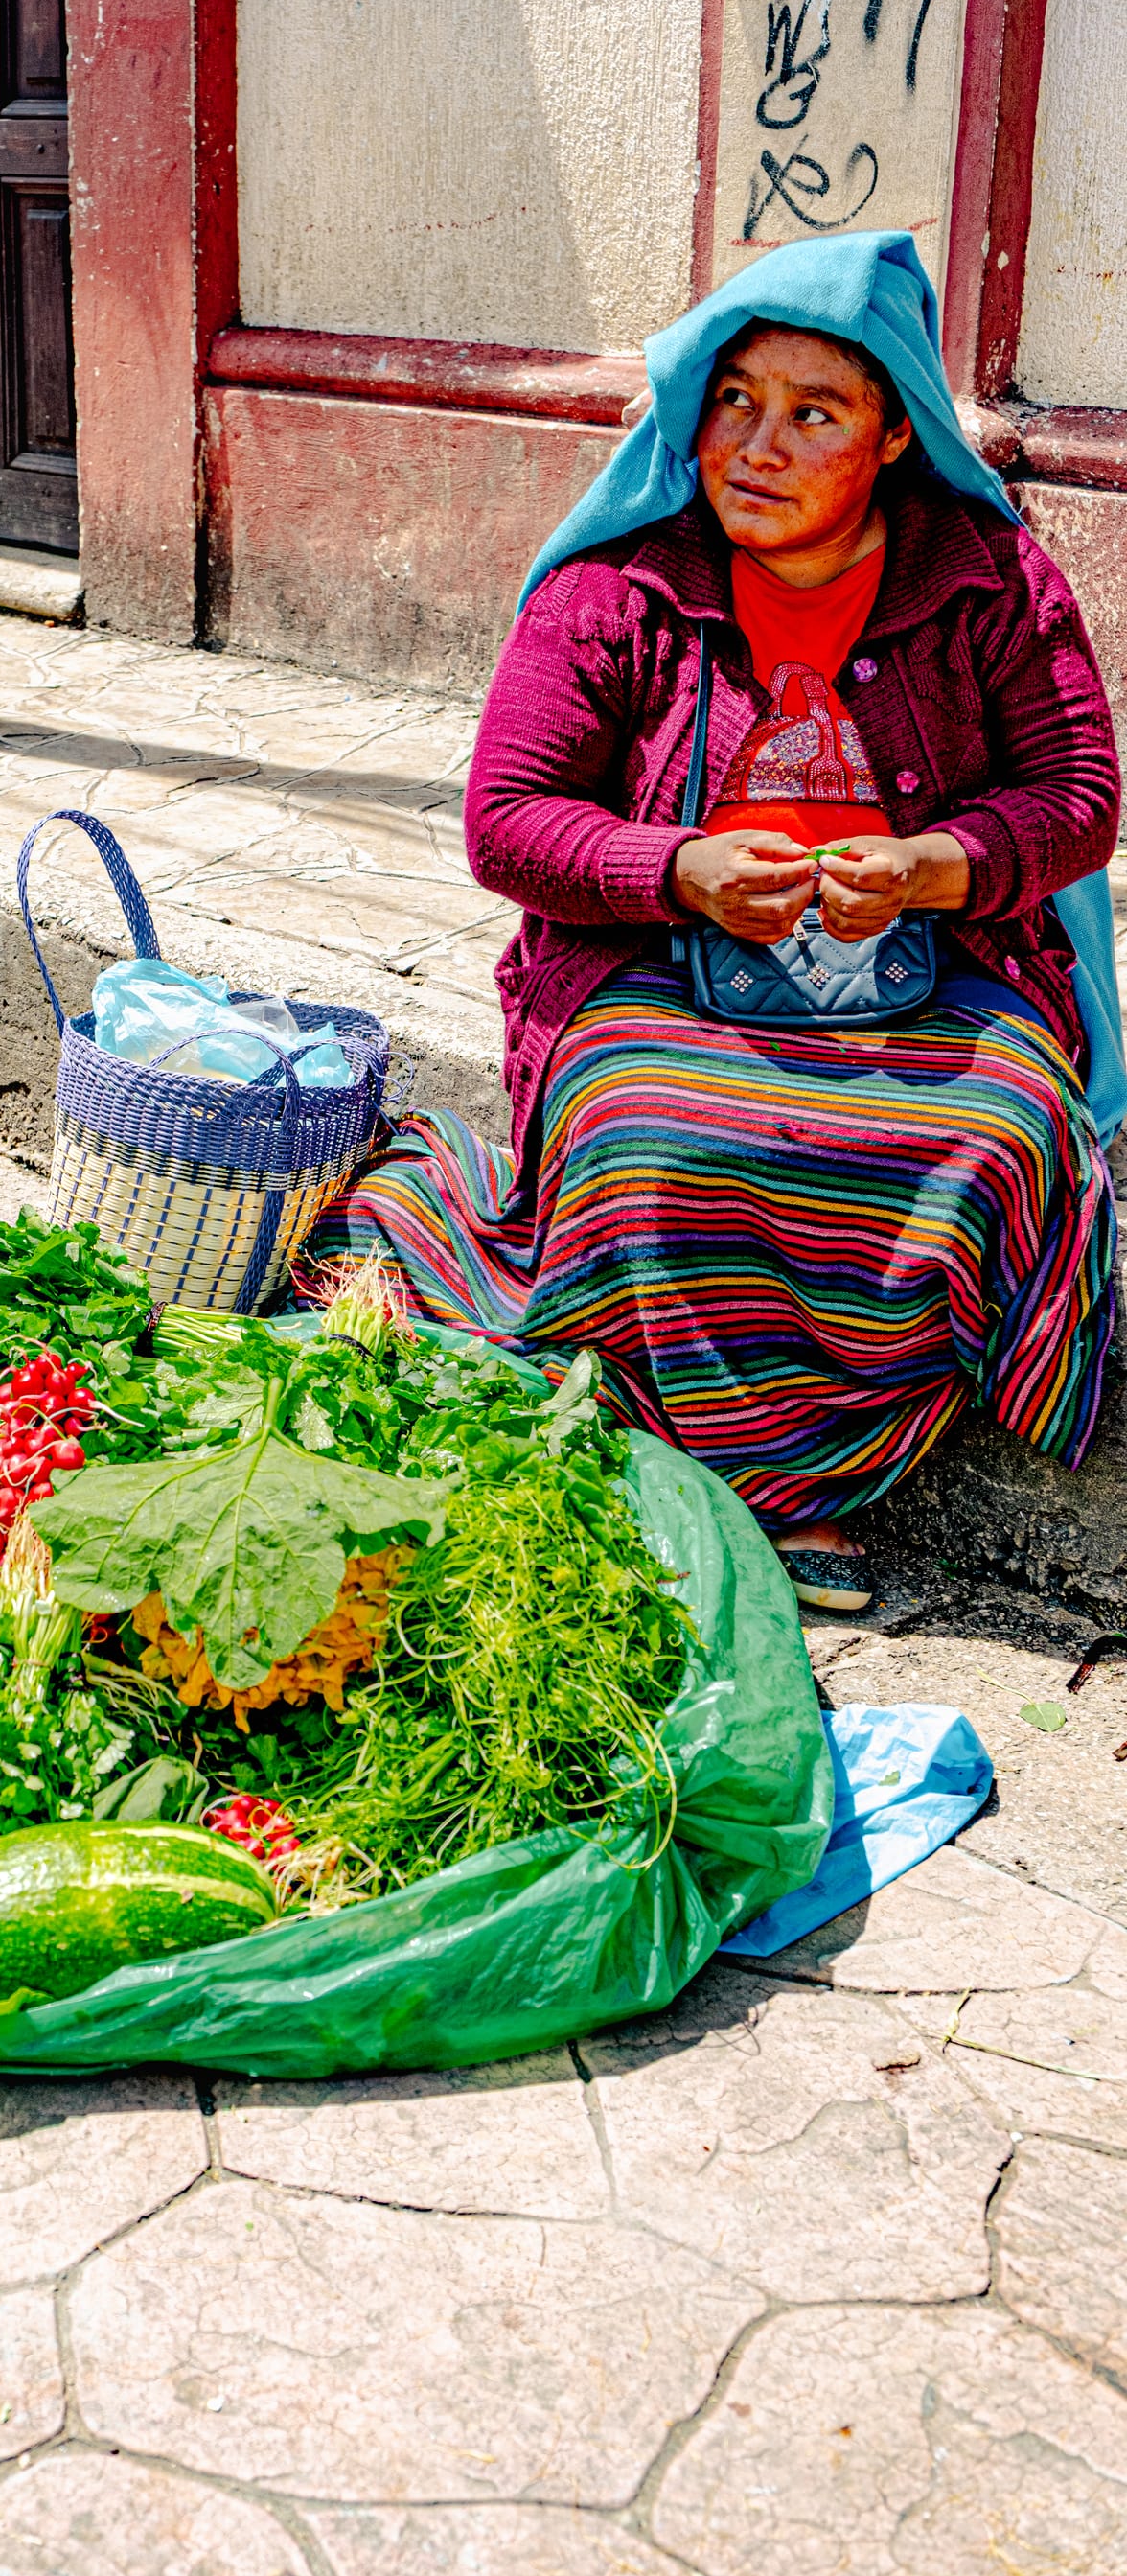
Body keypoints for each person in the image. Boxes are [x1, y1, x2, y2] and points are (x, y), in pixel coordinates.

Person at [316, 233, 1122, 1611]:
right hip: (662, 979)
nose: (759, 442)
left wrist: (933, 864)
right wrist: (681, 871)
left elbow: (1079, 794)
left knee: (1005, 1135)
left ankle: (797, 1453)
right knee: (650, 1131)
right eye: (735, 399)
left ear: (889, 441)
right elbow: (508, 817)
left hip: (935, 976)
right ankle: (752, 1478)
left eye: (816, 413)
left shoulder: (987, 580)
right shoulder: (618, 585)